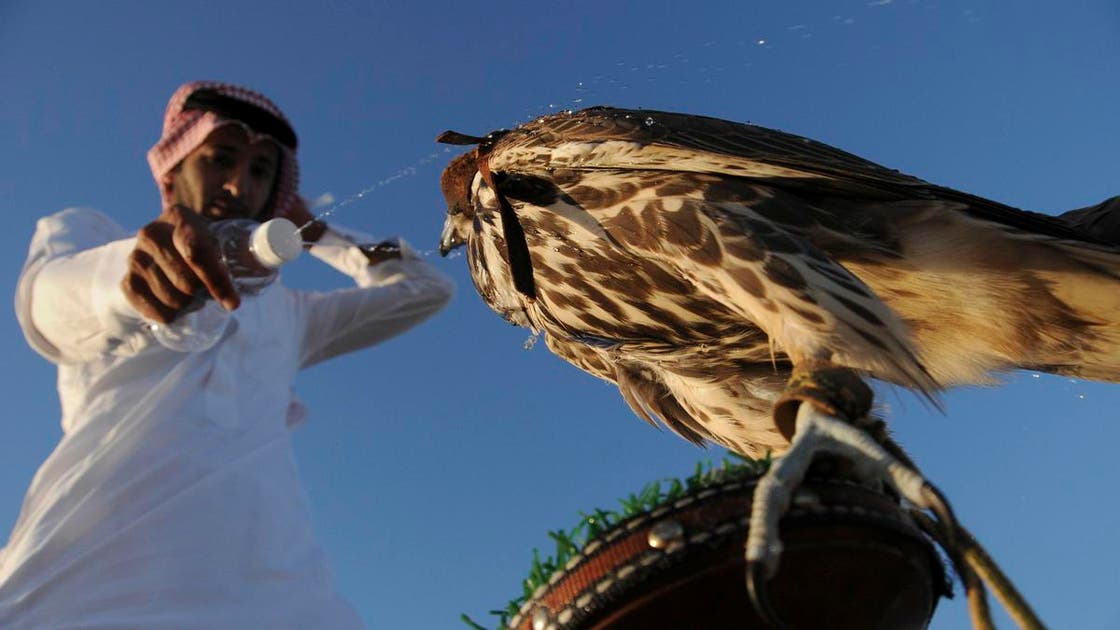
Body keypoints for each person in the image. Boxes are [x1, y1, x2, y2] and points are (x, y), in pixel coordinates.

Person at [3, 81, 454, 628]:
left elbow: (424, 286)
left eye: (262, 171)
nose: (239, 184)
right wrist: (127, 281)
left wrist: (320, 233)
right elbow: (45, 306)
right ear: (172, 170)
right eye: (221, 158)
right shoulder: (95, 238)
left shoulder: (291, 316)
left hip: (288, 602)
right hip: (87, 589)